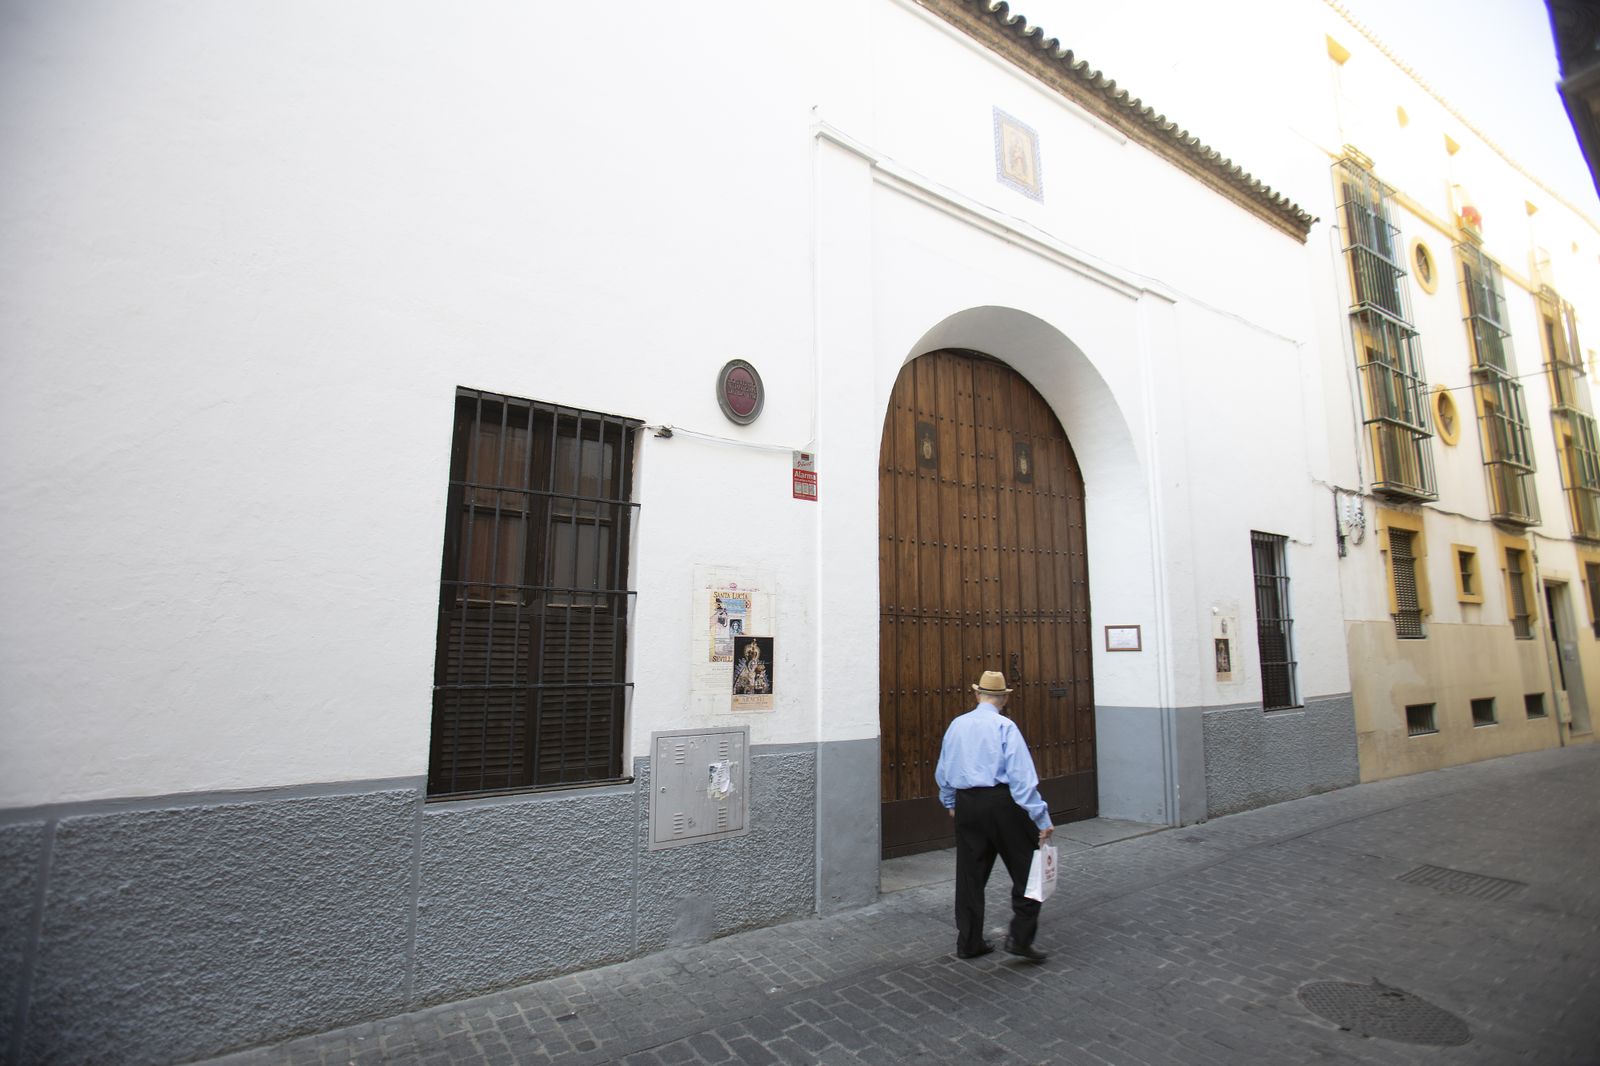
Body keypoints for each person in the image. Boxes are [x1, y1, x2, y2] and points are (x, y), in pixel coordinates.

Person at [934, 670, 1054, 962]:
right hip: (1003, 804)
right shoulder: (1005, 726)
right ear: (1003, 699)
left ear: (977, 695)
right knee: (1028, 871)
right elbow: (1021, 779)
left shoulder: (957, 725)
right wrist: (1041, 817)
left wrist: (950, 802)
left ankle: (969, 942)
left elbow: (944, 770)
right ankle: (1020, 938)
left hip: (967, 804)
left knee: (970, 876)